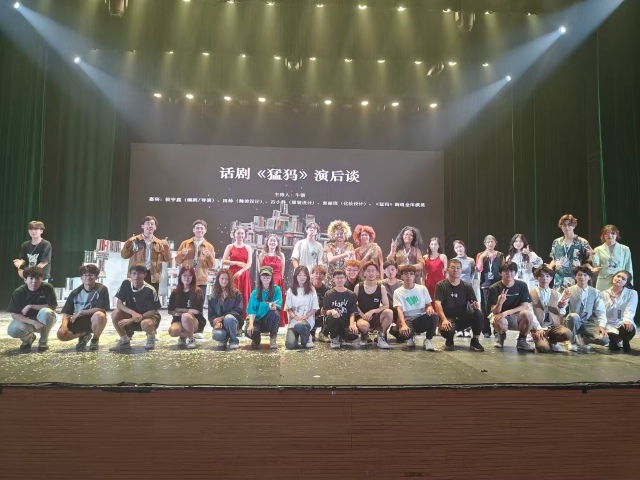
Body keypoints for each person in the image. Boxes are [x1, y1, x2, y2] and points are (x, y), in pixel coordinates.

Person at [434, 259, 485, 352]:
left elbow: (474, 302)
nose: (455, 270)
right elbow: (437, 303)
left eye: (458, 268)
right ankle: (449, 341)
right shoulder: (440, 285)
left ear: (461, 270)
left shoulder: (467, 286)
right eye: (452, 267)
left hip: (462, 317)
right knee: (447, 329)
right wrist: (444, 319)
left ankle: (475, 340)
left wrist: (475, 305)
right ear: (448, 269)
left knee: (478, 314)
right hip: (448, 318)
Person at [488, 262, 539, 353]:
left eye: (512, 271)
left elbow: (524, 306)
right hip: (500, 317)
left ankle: (522, 341)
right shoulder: (494, 288)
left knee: (528, 314)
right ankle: (501, 337)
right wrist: (500, 303)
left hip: (516, 317)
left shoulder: (522, 285)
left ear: (515, 272)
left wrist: (506, 313)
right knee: (497, 319)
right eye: (505, 271)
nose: (509, 273)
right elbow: (494, 311)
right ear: (500, 273)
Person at [109, 263, 162, 351]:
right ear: (130, 274)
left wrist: (131, 319)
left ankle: (151, 335)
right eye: (134, 273)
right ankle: (124, 340)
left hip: (147, 316)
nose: (136, 276)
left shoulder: (150, 290)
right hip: (132, 314)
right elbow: (119, 304)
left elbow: (152, 311)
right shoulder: (126, 284)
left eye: (140, 273)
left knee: (146, 323)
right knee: (115, 313)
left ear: (145, 275)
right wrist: (133, 313)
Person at [57, 264, 109, 351]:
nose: (88, 277)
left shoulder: (102, 289)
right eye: (85, 275)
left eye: (91, 275)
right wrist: (64, 326)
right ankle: (84, 335)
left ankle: (95, 339)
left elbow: (101, 308)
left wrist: (81, 312)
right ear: (81, 277)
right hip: (79, 320)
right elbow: (66, 313)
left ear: (96, 277)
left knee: (100, 315)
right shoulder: (75, 293)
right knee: (61, 335)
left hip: (94, 319)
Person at [7, 266, 57, 352]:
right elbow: (14, 314)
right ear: (25, 280)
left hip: (44, 320)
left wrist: (30, 306)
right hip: (27, 321)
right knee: (13, 330)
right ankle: (29, 339)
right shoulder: (18, 292)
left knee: (47, 312)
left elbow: (52, 306)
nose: (34, 281)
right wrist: (34, 322)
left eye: (37, 278)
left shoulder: (47, 288)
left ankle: (43, 342)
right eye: (31, 278)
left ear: (41, 279)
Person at [391, 264, 439, 351]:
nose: (408, 276)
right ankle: (410, 337)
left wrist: (429, 307)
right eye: (406, 274)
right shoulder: (398, 292)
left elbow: (428, 304)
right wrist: (403, 325)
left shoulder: (422, 288)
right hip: (408, 319)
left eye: (411, 274)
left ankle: (428, 340)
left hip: (421, 318)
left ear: (414, 276)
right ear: (402, 276)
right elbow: (399, 310)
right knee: (404, 335)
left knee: (434, 316)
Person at [564, 266, 609, 352]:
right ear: (575, 277)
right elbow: (561, 310)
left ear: (589, 277)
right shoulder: (569, 290)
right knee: (574, 316)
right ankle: (572, 341)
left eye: (585, 275)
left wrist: (601, 326)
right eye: (579, 275)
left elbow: (601, 311)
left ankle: (584, 338)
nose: (582, 277)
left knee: (604, 340)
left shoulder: (595, 292)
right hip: (573, 321)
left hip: (588, 322)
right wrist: (561, 304)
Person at [121, 216, 171, 292]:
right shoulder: (134, 240)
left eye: (152, 224)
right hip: (137, 274)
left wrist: (167, 247)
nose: (150, 226)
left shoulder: (159, 243)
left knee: (152, 297)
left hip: (153, 275)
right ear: (142, 226)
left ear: (155, 227)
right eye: (147, 224)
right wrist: (128, 243)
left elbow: (167, 259)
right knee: (135, 296)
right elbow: (124, 256)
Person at [529, 266, 573, 353]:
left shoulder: (556, 294)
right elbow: (530, 313)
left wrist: (560, 306)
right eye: (541, 276)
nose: (545, 279)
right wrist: (538, 328)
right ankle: (540, 340)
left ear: (551, 278)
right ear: (536, 277)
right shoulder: (530, 293)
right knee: (543, 348)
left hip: (553, 326)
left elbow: (561, 313)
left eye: (547, 276)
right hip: (539, 327)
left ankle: (552, 342)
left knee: (568, 334)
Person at [353, 262, 393, 349]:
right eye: (368, 271)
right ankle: (364, 335)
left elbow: (386, 305)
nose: (371, 273)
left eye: (373, 271)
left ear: (377, 273)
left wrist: (372, 311)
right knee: (364, 326)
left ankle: (381, 337)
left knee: (389, 312)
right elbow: (353, 304)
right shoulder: (358, 287)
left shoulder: (381, 287)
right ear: (364, 273)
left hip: (375, 317)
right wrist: (362, 315)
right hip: (362, 317)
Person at [549, 214, 593, 290]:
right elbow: (554, 260)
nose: (567, 227)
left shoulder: (582, 242)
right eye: (564, 225)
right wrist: (550, 267)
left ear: (574, 226)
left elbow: (587, 261)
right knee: (559, 297)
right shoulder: (556, 242)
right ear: (560, 226)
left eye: (569, 225)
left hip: (575, 278)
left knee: (575, 297)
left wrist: (591, 268)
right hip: (559, 279)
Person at [167, 267, 206, 349]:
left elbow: (196, 311)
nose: (186, 278)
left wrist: (181, 310)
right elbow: (170, 310)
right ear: (180, 277)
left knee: (186, 316)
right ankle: (182, 337)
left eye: (189, 276)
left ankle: (191, 339)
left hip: (194, 320)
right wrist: (179, 313)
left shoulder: (197, 291)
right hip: (178, 319)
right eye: (184, 275)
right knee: (173, 331)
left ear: (193, 277)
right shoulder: (175, 292)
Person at [245, 266, 282, 349]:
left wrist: (274, 307)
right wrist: (250, 325)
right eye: (263, 276)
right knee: (249, 331)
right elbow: (252, 311)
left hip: (268, 320)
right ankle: (256, 340)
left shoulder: (276, 289)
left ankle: (273, 338)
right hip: (256, 320)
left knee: (275, 314)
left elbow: (278, 304)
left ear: (271, 277)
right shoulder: (255, 292)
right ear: (260, 277)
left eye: (268, 276)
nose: (266, 278)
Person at [175, 219, 215, 296]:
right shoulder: (185, 244)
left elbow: (211, 266)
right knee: (184, 301)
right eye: (197, 228)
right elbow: (177, 260)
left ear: (205, 230)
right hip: (186, 280)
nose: (199, 230)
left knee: (199, 302)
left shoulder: (210, 247)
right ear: (193, 230)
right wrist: (182, 254)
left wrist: (209, 256)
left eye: (202, 228)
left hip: (201, 280)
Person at [600, 270, 637, 353]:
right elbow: (601, 312)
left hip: (622, 321)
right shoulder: (603, 294)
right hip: (609, 323)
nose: (619, 279)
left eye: (623, 279)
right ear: (613, 277)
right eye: (618, 276)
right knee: (610, 335)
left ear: (626, 283)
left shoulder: (632, 293)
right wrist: (611, 302)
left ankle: (626, 342)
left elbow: (630, 308)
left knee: (628, 327)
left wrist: (627, 320)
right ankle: (613, 342)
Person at [323, 268, 359, 349]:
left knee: (353, 334)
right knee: (334, 317)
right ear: (333, 279)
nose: (340, 280)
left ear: (345, 279)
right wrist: (332, 311)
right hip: (333, 321)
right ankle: (334, 337)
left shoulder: (351, 294)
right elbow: (325, 311)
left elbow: (352, 312)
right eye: (337, 278)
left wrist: (352, 324)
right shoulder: (328, 294)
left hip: (345, 321)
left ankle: (342, 336)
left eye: (342, 277)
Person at [476, 235, 504, 337]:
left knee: (497, 307)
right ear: (485, 244)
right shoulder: (480, 255)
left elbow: (503, 269)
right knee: (485, 308)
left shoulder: (500, 255)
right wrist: (482, 258)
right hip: (485, 284)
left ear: (495, 243)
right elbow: (478, 269)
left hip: (497, 284)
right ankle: (486, 330)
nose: (490, 244)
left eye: (492, 242)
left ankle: (497, 329)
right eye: (488, 242)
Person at [208, 268, 244, 350]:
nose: (224, 281)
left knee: (229, 318)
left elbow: (238, 311)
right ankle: (224, 338)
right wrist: (215, 322)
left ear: (230, 280)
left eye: (227, 279)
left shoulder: (236, 293)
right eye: (222, 278)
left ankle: (234, 340)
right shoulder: (213, 296)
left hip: (234, 321)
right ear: (218, 279)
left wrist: (222, 317)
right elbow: (211, 315)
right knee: (217, 335)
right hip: (221, 324)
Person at [285, 266, 319, 350]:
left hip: (307, 320)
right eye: (299, 275)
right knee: (290, 345)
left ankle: (307, 338)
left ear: (307, 276)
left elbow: (314, 308)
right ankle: (297, 337)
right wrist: (296, 317)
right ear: (295, 276)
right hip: (294, 321)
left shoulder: (311, 290)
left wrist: (305, 317)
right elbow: (288, 308)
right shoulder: (290, 290)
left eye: (304, 275)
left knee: (300, 326)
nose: (302, 277)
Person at [222, 226, 253, 315]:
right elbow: (224, 261)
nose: (240, 235)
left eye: (242, 233)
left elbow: (249, 263)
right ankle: (231, 315)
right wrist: (236, 263)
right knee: (232, 294)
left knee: (244, 295)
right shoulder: (230, 246)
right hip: (232, 274)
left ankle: (243, 317)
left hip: (243, 274)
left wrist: (241, 271)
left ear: (245, 235)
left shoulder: (248, 247)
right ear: (234, 235)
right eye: (238, 233)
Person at [258, 234, 288, 327]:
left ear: (277, 243)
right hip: (265, 278)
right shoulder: (262, 255)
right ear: (267, 242)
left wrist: (279, 280)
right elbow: (260, 270)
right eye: (271, 240)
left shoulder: (281, 255)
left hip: (277, 278)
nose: (272, 242)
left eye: (274, 241)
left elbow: (282, 270)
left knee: (276, 299)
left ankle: (277, 321)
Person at [592, 225, 633, 292]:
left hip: (619, 280)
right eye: (606, 233)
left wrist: (629, 283)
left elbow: (629, 267)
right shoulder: (597, 249)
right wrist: (593, 255)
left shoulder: (625, 249)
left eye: (612, 233)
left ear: (616, 234)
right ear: (603, 235)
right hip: (603, 280)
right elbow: (596, 266)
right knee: (602, 298)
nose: (610, 235)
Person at [310, 264, 330, 342]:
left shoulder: (328, 289)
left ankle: (323, 333)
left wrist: (325, 308)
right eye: (316, 273)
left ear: (324, 276)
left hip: (322, 313)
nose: (318, 275)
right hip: (310, 313)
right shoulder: (307, 288)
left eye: (321, 273)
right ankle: (311, 332)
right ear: (312, 275)